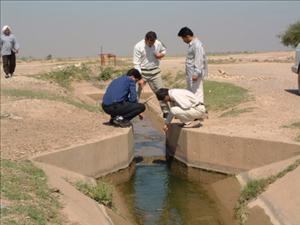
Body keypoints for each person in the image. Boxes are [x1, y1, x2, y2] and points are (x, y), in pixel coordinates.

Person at [133, 31, 169, 118]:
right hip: (142, 72)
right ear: (145, 40)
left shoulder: (158, 43)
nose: (151, 44)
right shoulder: (138, 46)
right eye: (149, 42)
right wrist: (139, 77)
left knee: (161, 92)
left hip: (155, 72)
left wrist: (161, 55)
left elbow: (164, 50)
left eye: (153, 42)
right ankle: (134, 110)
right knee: (136, 92)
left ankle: (166, 111)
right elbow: (136, 63)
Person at [177, 27, 208, 104]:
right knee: (192, 93)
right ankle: (195, 111)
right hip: (191, 74)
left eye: (183, 38)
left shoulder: (197, 45)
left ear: (187, 36)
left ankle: (200, 110)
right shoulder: (192, 45)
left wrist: (196, 73)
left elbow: (199, 59)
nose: (183, 41)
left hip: (195, 74)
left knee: (197, 92)